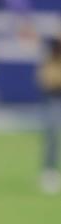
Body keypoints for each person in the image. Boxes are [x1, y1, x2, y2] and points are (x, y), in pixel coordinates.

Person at [37, 32, 61, 194]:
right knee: (52, 132)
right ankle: (49, 170)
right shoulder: (52, 50)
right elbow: (46, 78)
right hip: (55, 95)